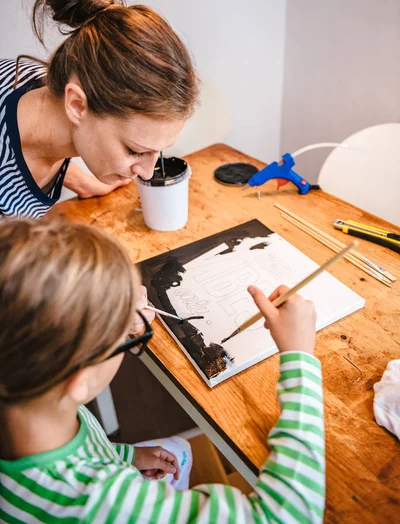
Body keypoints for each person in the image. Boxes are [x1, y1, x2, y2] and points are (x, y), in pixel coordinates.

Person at [0, 218, 325, 523]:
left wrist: (123, 456)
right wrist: (299, 355)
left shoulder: (24, 400)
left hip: (110, 460)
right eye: (128, 338)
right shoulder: (102, 502)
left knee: (179, 450)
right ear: (78, 381)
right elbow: (291, 515)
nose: (133, 335)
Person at [0, 0, 198, 218]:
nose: (148, 172)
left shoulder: (46, 83)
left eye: (157, 151)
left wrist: (79, 180)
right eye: (134, 150)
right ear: (76, 105)